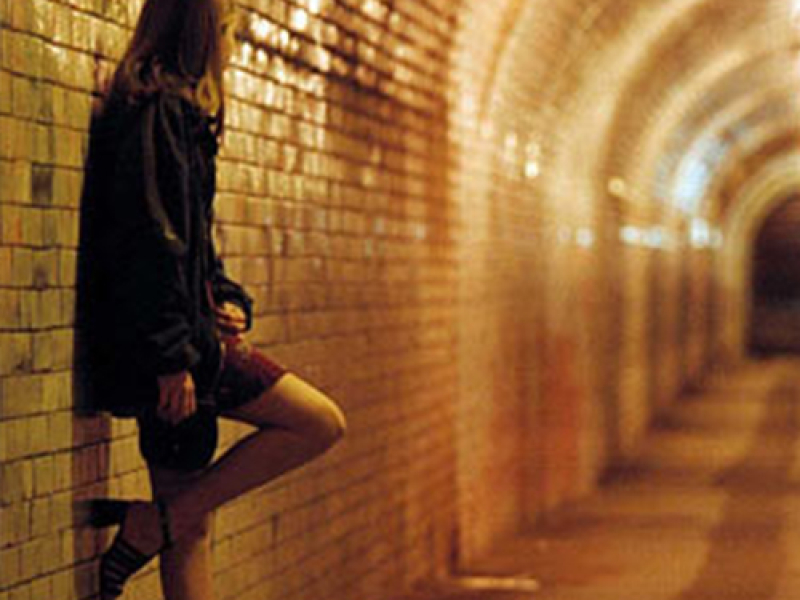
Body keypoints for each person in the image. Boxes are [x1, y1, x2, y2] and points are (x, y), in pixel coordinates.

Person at [80, 1, 347, 599]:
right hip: (177, 353)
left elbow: (192, 240)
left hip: (185, 338)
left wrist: (227, 297)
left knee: (190, 529)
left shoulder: (177, 112)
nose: (231, 44)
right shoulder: (159, 112)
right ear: (200, 30)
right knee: (318, 422)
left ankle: (157, 522)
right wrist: (172, 357)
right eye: (227, 30)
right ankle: (152, 523)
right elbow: (152, 241)